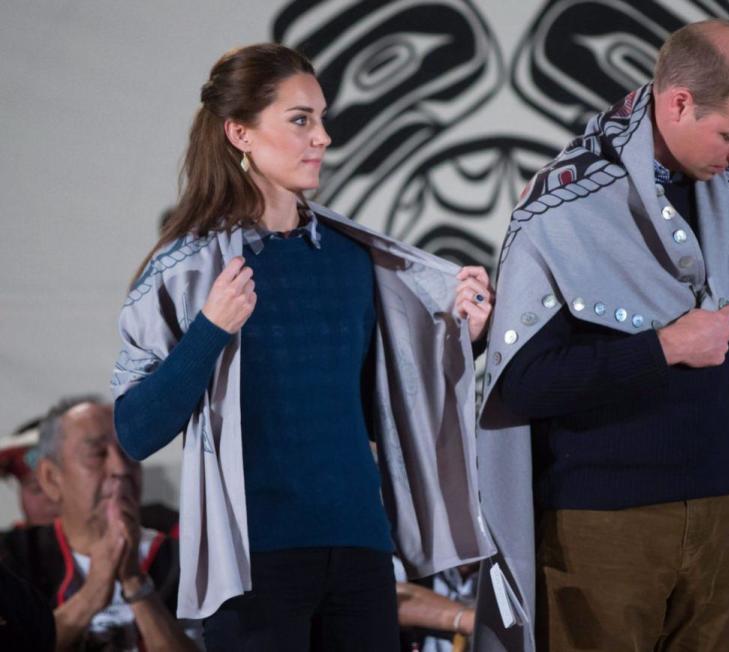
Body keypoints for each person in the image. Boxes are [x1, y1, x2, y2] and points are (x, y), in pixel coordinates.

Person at [472, 20, 729, 651]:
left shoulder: (726, 199)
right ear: (678, 102)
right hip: (601, 525)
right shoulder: (562, 206)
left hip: (723, 517)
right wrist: (662, 349)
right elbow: (523, 381)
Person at [111, 43, 496, 651]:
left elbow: (377, 410)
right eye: (300, 120)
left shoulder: (351, 260)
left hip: (361, 552)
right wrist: (210, 329)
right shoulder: (185, 270)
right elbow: (134, 431)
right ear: (239, 132)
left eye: (320, 119)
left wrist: (461, 343)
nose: (323, 138)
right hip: (252, 560)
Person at [0, 397, 197, 651]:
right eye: (97, 454)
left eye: (128, 451)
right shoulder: (14, 558)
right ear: (51, 479)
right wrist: (92, 594)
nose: (120, 468)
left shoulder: (186, 555)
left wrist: (136, 584)